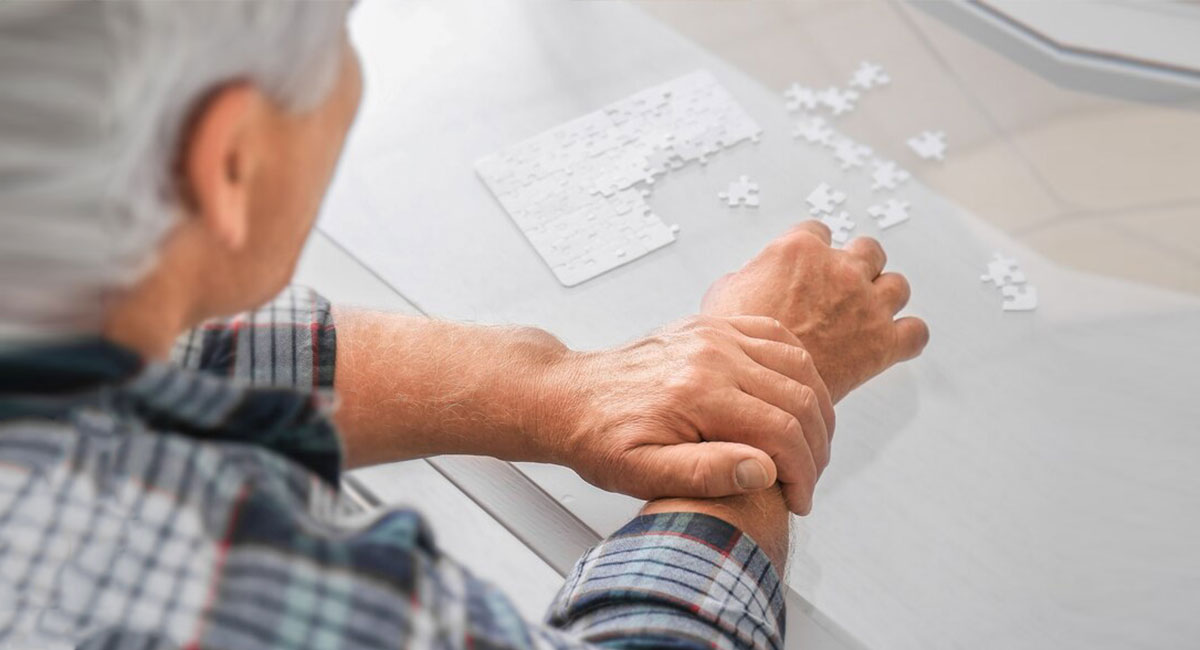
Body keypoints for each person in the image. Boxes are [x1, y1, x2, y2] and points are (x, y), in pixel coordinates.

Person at [0, 2, 928, 649]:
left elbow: (182, 354)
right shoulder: (152, 562)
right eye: (342, 39)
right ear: (230, 163)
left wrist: (545, 386)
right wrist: (772, 385)